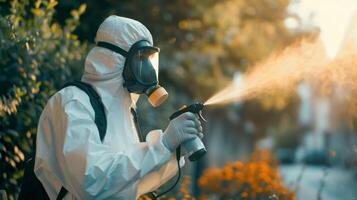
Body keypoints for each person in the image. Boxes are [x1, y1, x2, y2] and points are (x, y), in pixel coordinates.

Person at [34, 15, 203, 199]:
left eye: (148, 58)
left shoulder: (125, 110)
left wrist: (172, 151)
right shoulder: (73, 103)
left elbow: (130, 184)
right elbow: (90, 183)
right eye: (140, 57)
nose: (147, 67)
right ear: (113, 59)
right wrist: (162, 145)